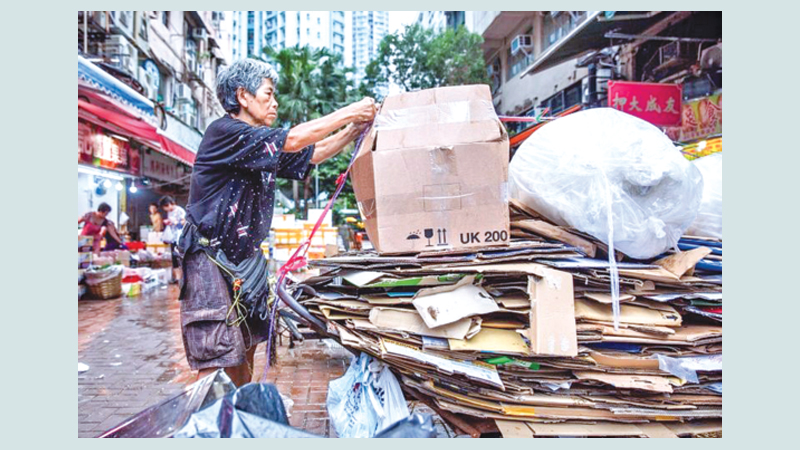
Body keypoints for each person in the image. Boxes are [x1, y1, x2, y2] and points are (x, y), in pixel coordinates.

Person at [177, 58, 377, 386]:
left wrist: (355, 129)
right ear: (243, 96)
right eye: (268, 94)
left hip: (244, 262)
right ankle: (210, 427)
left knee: (246, 348)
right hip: (209, 259)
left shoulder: (258, 144)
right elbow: (296, 140)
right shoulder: (223, 132)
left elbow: (313, 152)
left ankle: (242, 416)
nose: (275, 102)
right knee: (216, 354)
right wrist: (351, 111)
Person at [160, 195, 186, 282]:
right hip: (173, 238)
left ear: (169, 204)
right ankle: (178, 278)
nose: (165, 210)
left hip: (181, 238)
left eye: (165, 207)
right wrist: (168, 223)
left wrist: (175, 222)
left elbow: (184, 223)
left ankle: (184, 277)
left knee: (182, 258)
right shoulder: (169, 212)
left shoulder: (180, 210)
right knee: (174, 258)